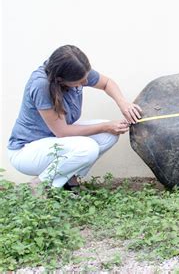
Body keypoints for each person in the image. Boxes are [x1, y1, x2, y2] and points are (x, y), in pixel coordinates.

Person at [7, 45, 142, 189]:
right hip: (27, 151)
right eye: (80, 81)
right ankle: (40, 185)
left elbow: (107, 83)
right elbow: (63, 132)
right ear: (60, 79)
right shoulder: (41, 85)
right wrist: (107, 126)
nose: (85, 82)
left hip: (54, 142)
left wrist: (123, 104)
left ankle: (68, 180)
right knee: (88, 147)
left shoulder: (77, 70)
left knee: (108, 135)